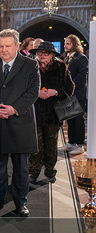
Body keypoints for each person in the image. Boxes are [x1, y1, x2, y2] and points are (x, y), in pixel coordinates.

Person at [0, 29, 40, 217]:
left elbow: (33, 92)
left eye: (8, 46)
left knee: (21, 168)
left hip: (20, 122)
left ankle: (21, 203)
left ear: (16, 46)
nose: (4, 50)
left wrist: (14, 109)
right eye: (1, 46)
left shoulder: (30, 65)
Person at [28, 42, 75, 184]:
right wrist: (37, 93)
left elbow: (70, 87)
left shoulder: (60, 67)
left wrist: (55, 92)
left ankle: (50, 170)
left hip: (53, 112)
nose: (41, 55)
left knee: (51, 144)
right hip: (35, 111)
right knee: (35, 144)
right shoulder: (30, 66)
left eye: (45, 53)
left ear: (52, 55)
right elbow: (22, 87)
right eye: (39, 52)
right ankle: (33, 172)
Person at [58, 34, 88, 155]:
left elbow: (81, 76)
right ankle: (71, 143)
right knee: (69, 119)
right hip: (68, 94)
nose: (65, 46)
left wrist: (70, 85)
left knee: (78, 120)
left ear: (74, 45)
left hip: (78, 93)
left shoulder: (81, 58)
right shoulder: (66, 59)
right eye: (65, 43)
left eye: (68, 44)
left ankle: (79, 144)